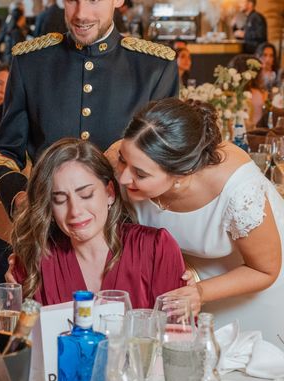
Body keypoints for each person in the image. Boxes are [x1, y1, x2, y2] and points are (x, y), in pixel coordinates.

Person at [111, 98, 284, 343]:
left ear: (181, 175)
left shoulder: (240, 192)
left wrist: (201, 292)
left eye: (140, 174)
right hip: (185, 289)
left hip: (255, 290)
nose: (123, 178)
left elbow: (265, 270)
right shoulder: (138, 151)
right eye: (122, 160)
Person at [0, 0, 179, 216]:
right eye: (72, 0)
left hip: (127, 228)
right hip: (49, 226)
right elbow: (3, 153)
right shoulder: (30, 63)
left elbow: (167, 161)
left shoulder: (155, 68)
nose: (81, 14)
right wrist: (20, 198)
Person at [9, 137, 185, 306]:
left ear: (110, 193)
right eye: (60, 199)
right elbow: (18, 335)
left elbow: (179, 331)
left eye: (86, 195)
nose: (75, 211)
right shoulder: (34, 261)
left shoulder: (155, 248)